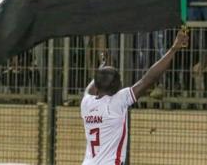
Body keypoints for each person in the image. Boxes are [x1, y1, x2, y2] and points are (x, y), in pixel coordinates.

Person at [81, 29, 189, 165]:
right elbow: (149, 79)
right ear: (117, 88)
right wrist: (173, 49)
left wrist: (102, 65)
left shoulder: (86, 103)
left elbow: (91, 87)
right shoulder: (117, 101)